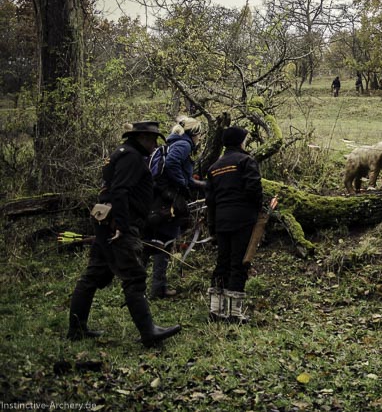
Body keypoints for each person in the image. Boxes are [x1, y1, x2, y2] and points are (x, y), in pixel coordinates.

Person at [67, 121, 182, 347]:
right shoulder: (130, 157)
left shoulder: (119, 154)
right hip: (120, 223)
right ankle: (148, 331)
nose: (154, 144)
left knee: (93, 275)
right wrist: (121, 224)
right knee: (134, 276)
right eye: (152, 139)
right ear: (141, 138)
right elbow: (119, 190)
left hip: (105, 220)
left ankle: (76, 329)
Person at [206, 126, 263, 323]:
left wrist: (212, 226)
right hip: (243, 219)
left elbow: (210, 201)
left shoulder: (215, 167)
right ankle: (234, 313)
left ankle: (216, 310)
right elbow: (254, 190)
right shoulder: (246, 161)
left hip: (221, 220)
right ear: (240, 141)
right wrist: (257, 211)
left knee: (222, 262)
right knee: (239, 263)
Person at [146, 115, 205, 299]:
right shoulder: (184, 144)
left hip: (159, 197)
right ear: (193, 133)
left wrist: (199, 184)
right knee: (165, 241)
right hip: (170, 198)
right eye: (199, 135)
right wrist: (183, 184)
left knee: (158, 240)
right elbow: (172, 164)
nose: (200, 139)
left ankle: (152, 286)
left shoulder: (173, 142)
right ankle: (158, 288)